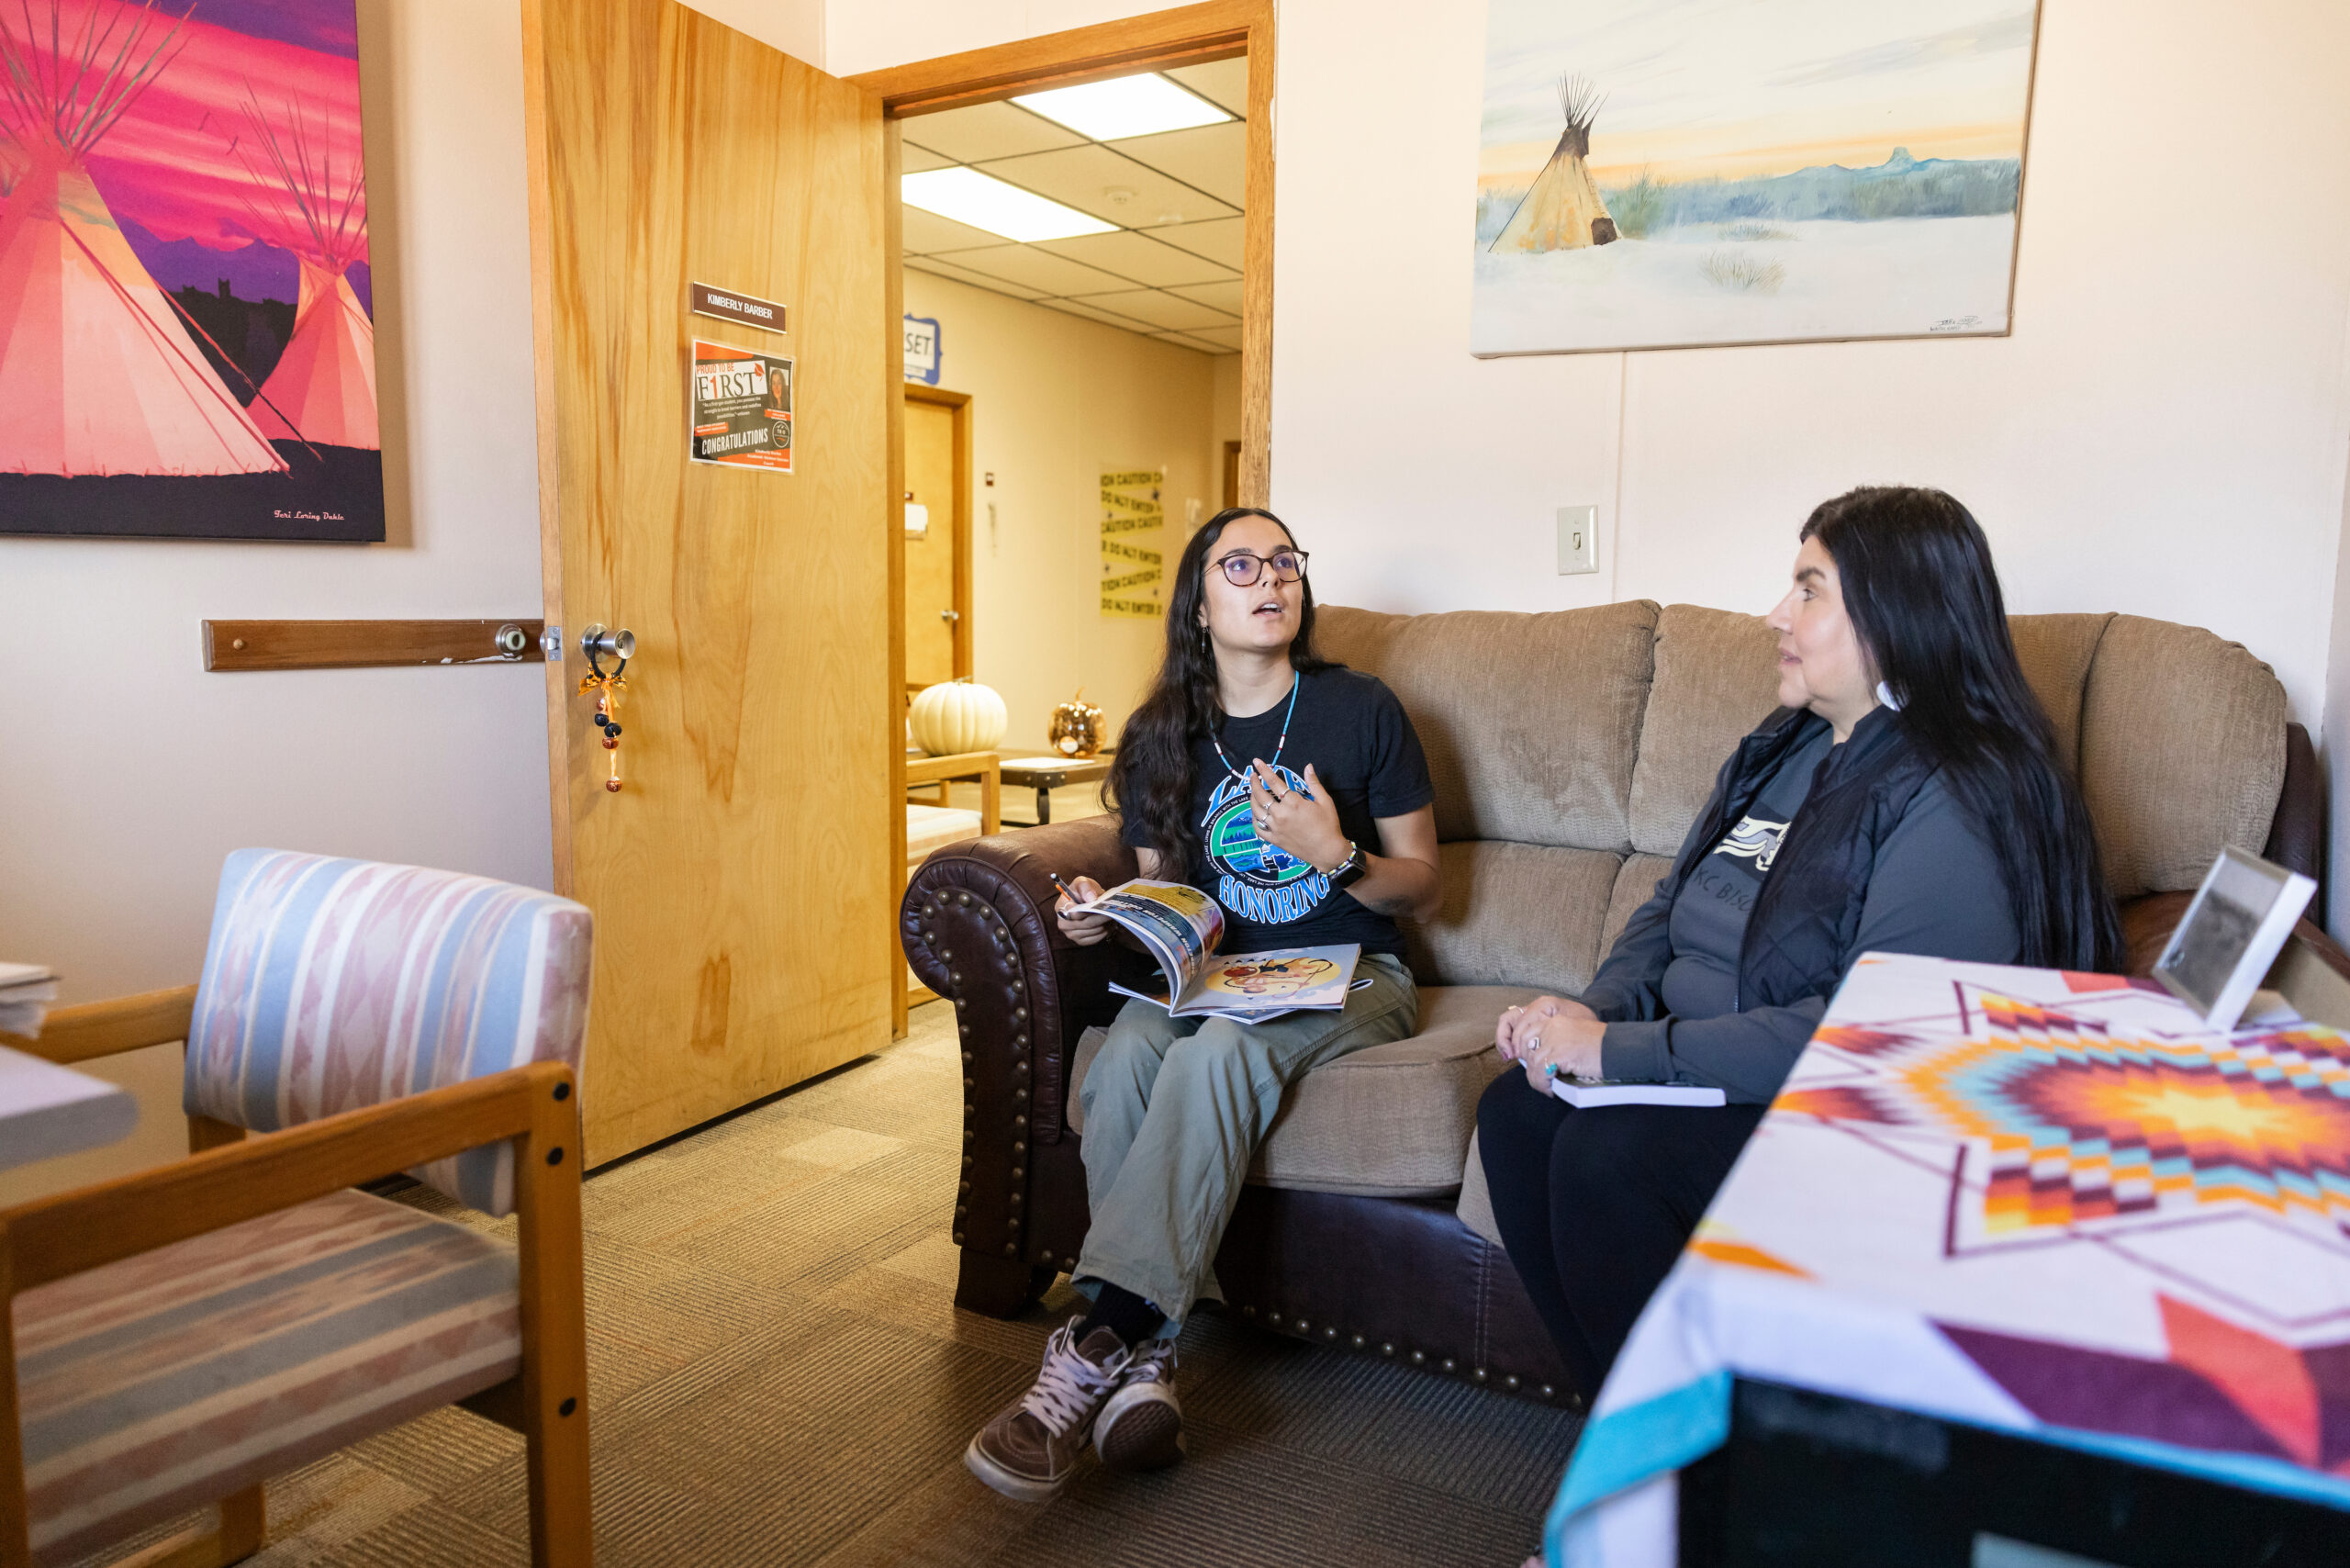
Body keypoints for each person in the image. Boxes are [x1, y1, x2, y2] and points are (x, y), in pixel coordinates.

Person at [1477, 485, 2121, 1401]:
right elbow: (1669, 902)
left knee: (1607, 1157)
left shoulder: (1957, 791)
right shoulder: (1789, 744)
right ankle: (1626, 1450)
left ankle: (1692, 1497)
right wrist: (1593, 1012)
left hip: (1841, 1116)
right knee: (1515, 1112)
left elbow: (1872, 1034)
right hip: (1707, 1074)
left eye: (1808, 590)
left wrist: (1618, 1054)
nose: (1776, 614)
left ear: (1890, 620)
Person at [964, 507, 1443, 1502]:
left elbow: (1427, 884)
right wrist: (1111, 917)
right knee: (1131, 1045)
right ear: (1199, 599)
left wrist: (1335, 854)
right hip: (1218, 976)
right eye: (1241, 564)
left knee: (1218, 1051)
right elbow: (1165, 892)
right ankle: (1148, 1361)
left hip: (1354, 974)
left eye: (1285, 562)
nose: (1271, 578)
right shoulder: (1160, 734)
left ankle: (1100, 1337)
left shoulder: (1361, 710)